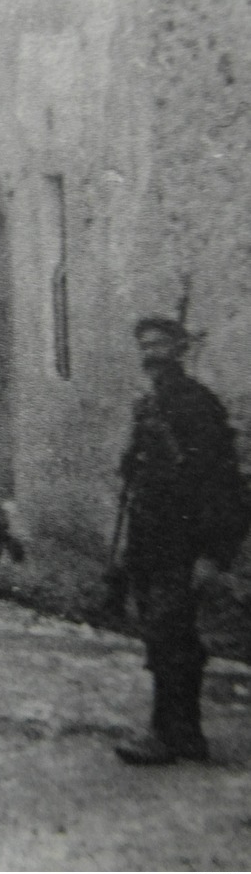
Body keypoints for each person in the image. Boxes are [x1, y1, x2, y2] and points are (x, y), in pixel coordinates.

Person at [112, 316, 250, 766]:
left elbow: (222, 484)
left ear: (180, 350)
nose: (151, 354)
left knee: (170, 637)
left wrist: (213, 553)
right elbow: (140, 474)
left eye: (161, 346)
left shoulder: (198, 405)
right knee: (168, 637)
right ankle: (186, 733)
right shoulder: (148, 404)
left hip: (184, 542)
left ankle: (164, 734)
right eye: (145, 346)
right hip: (150, 540)